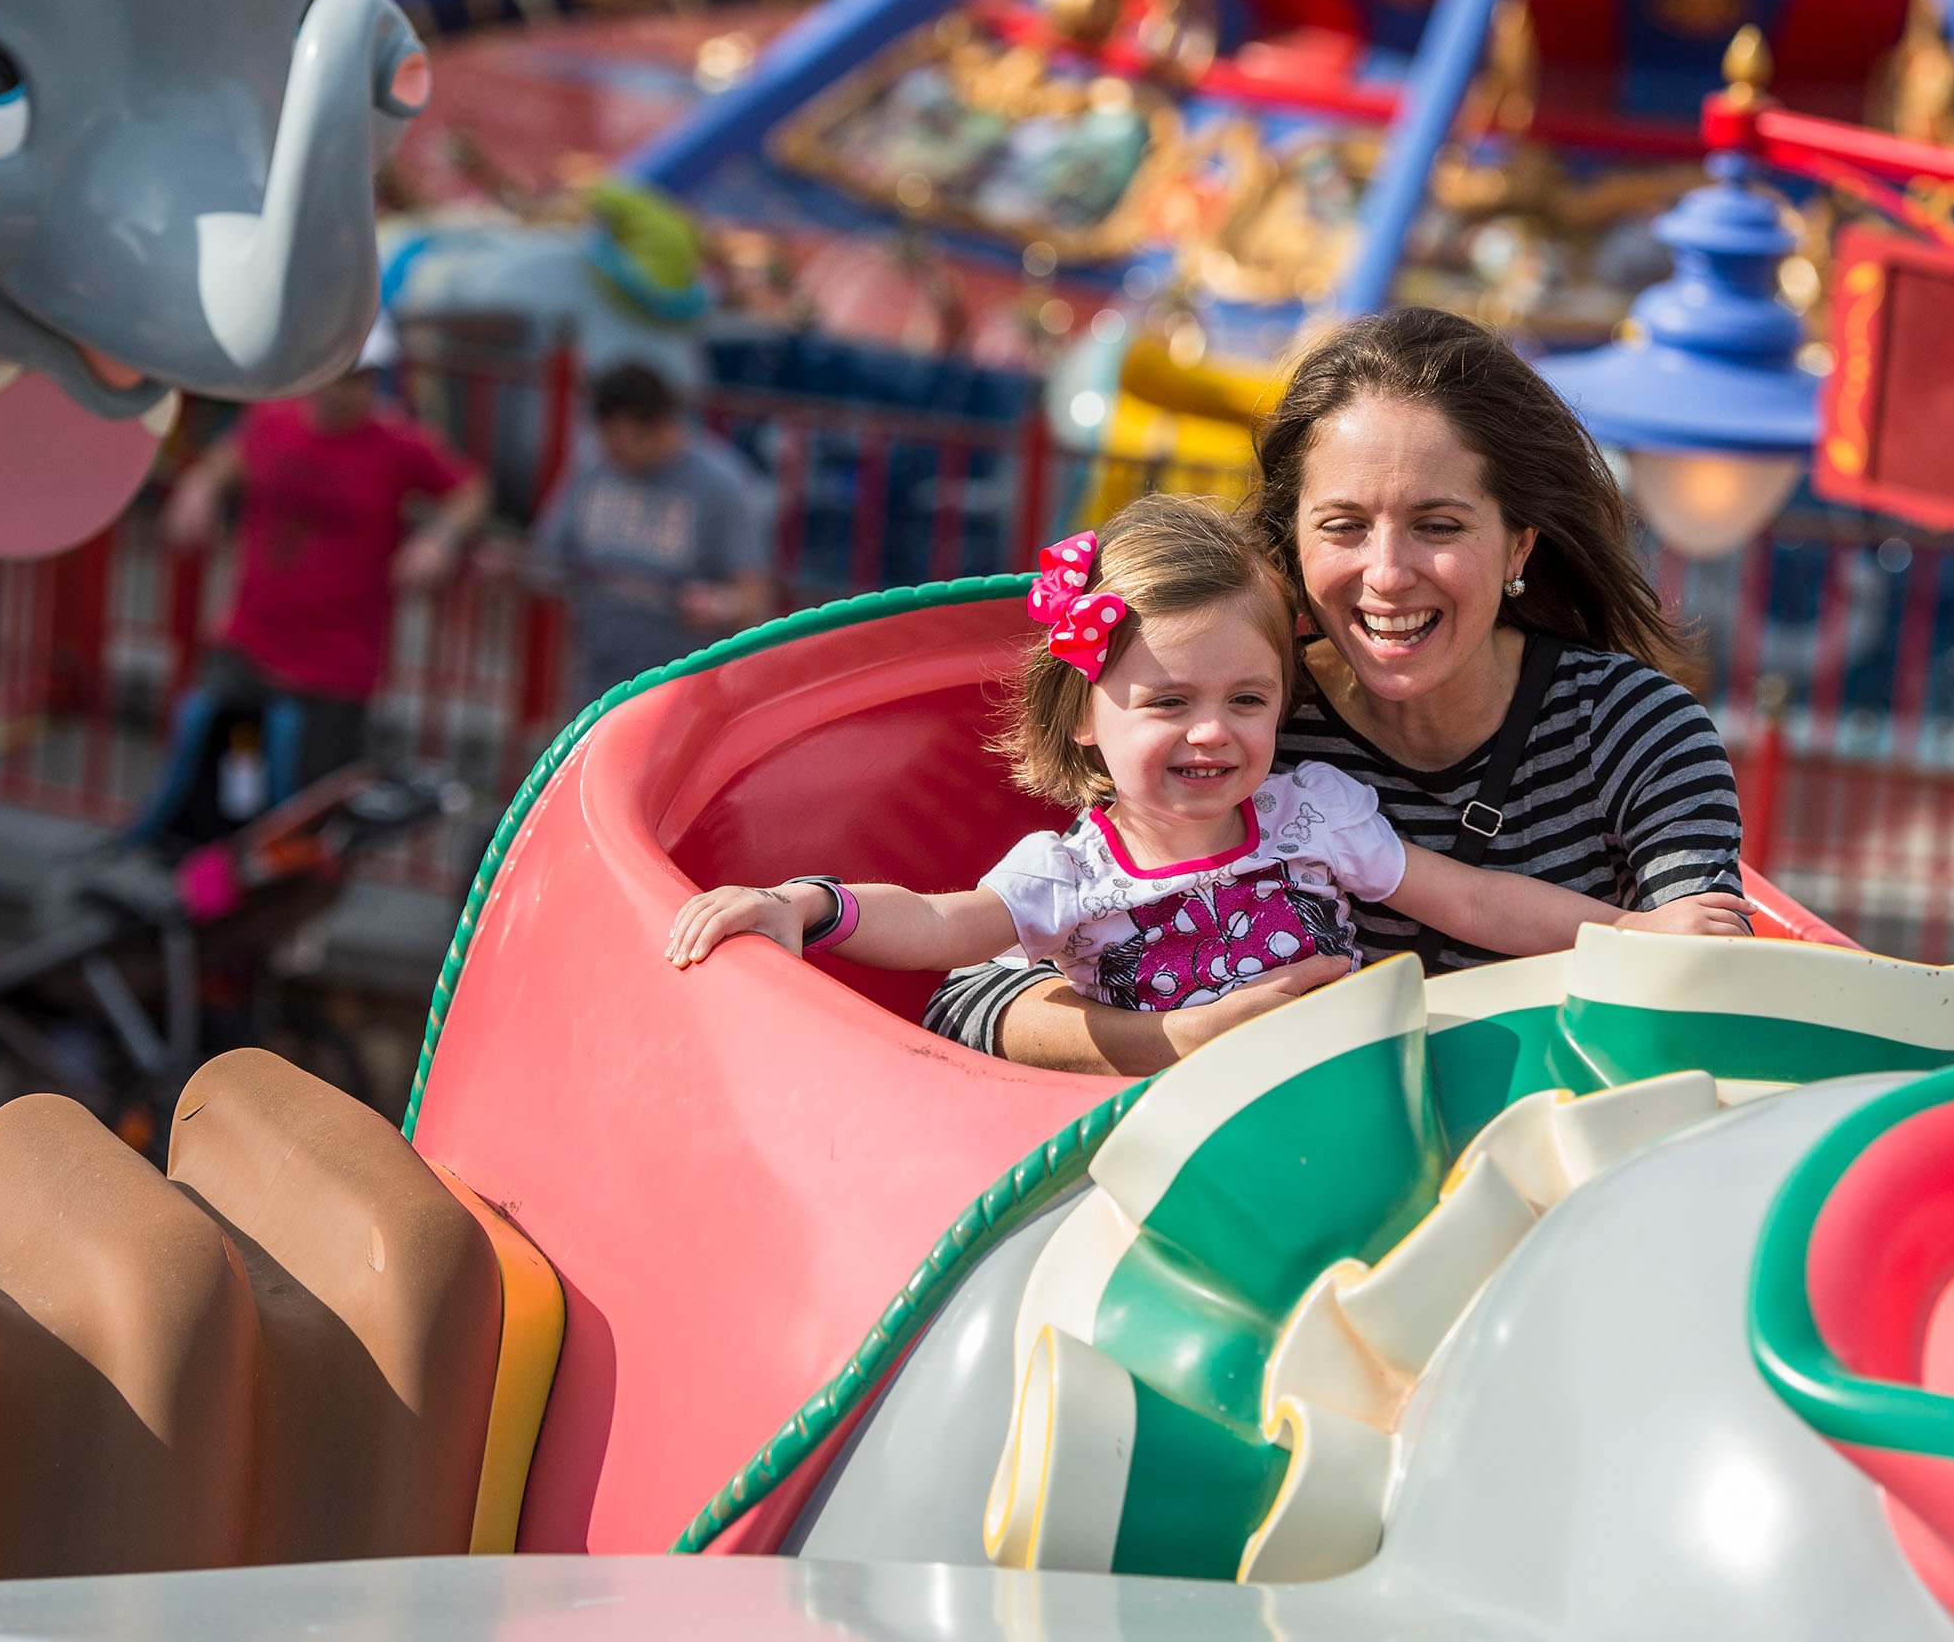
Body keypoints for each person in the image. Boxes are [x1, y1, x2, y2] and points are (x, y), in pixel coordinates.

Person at [921, 307, 1753, 1074]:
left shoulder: (1633, 727)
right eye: (1344, 526)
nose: (1387, 576)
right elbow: (972, 997)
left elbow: (1711, 979)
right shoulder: (1247, 718)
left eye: (1439, 526)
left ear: (1517, 549)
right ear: (1294, 542)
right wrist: (1178, 1038)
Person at [663, 498, 1750, 1000]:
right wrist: (806, 904)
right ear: (1085, 713)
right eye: (1168, 700)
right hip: (1164, 1138)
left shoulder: (1312, 812)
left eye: (1247, 699)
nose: (1211, 732)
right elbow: (946, 925)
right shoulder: (1071, 876)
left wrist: (1634, 931)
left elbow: (1473, 900)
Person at [161, 316, 488, 788]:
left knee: (314, 807)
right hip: (250, 644)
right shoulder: (273, 420)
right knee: (226, 784)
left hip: (336, 663)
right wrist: (200, 486)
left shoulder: (397, 443)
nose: (352, 391)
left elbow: (471, 489)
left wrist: (440, 538)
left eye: (365, 378)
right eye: (343, 375)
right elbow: (227, 459)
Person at [527, 360, 774, 708]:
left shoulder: (722, 485)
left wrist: (719, 605)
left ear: (661, 426)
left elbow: (753, 598)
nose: (613, 455)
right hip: (597, 688)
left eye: (623, 443)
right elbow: (548, 557)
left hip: (683, 696)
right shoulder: (594, 466)